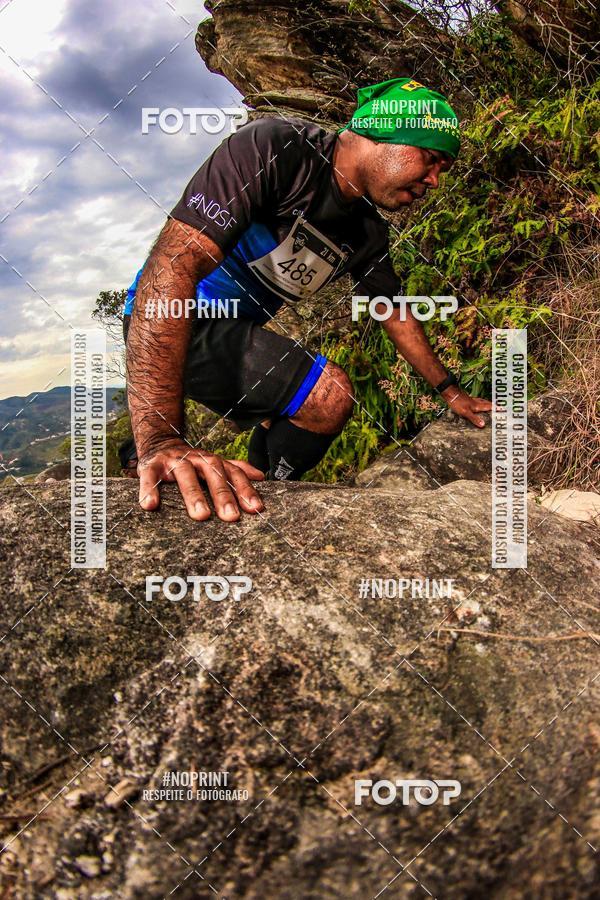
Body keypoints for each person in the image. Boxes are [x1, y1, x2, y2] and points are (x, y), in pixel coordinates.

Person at [122, 76, 492, 522]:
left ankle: (261, 488)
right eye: (429, 159)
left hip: (236, 331)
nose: (433, 180)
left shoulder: (367, 232)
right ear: (380, 134)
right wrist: (161, 439)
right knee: (328, 394)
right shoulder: (276, 148)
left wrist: (451, 392)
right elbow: (173, 265)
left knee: (310, 404)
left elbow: (393, 314)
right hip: (175, 317)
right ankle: (149, 465)